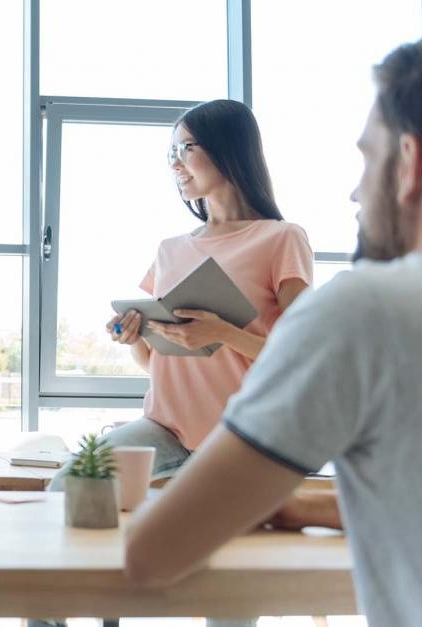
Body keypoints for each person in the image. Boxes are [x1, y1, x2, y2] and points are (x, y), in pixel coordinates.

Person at [124, 33, 422, 627]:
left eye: (367, 158)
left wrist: (303, 502)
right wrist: (321, 503)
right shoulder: (172, 247)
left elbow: (152, 552)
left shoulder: (363, 310)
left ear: (412, 162)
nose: (354, 190)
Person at [52, 99, 314, 484]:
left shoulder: (282, 238)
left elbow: (302, 357)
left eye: (186, 149)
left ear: (228, 149)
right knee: (70, 483)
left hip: (244, 435)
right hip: (165, 429)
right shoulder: (169, 249)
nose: (175, 164)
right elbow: (158, 364)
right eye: (171, 152)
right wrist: (135, 337)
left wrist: (223, 333)